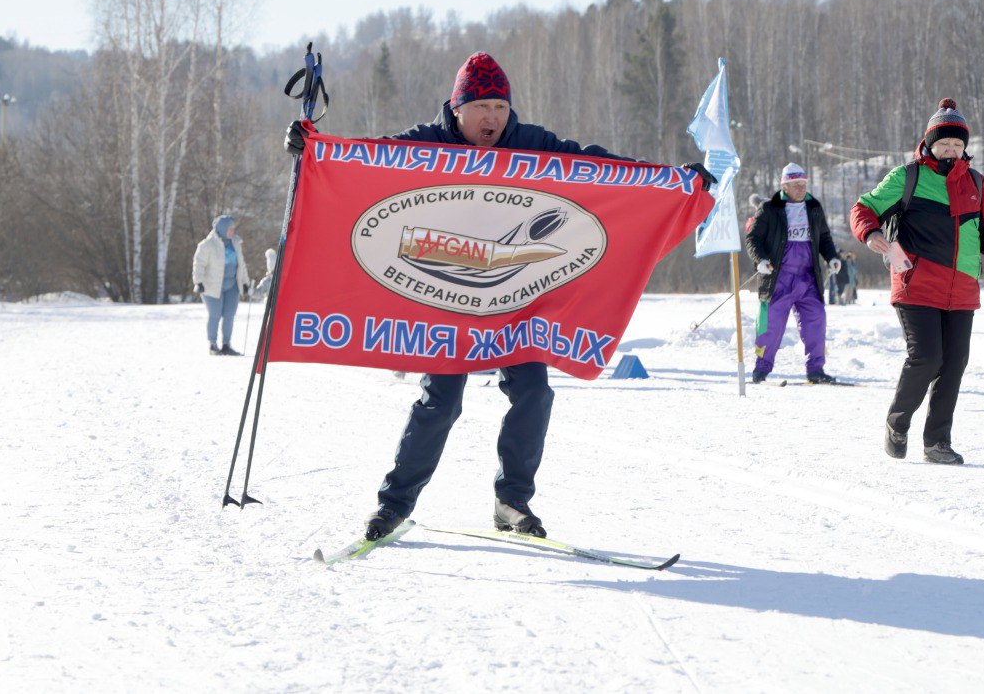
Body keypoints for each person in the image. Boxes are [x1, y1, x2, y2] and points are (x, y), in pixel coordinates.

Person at [286, 51, 713, 541]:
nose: (492, 118)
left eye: (501, 108)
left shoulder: (530, 145)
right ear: (457, 106)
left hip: (515, 301)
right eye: (481, 107)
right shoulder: (423, 144)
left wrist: (670, 181)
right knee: (440, 402)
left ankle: (512, 502)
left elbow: (598, 167)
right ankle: (393, 506)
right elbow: (363, 159)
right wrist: (312, 148)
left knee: (533, 393)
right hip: (446, 298)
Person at [850, 99, 984, 464]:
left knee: (954, 362)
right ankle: (897, 424)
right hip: (916, 282)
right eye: (943, 143)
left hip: (962, 288)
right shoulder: (909, 177)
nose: (950, 149)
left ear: (965, 147)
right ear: (929, 143)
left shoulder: (976, 183)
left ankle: (937, 442)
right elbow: (863, 207)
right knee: (927, 357)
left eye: (957, 143)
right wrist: (870, 234)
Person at [745, 162, 843, 384]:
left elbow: (824, 238)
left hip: (808, 278)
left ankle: (816, 370)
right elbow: (753, 238)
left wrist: (832, 257)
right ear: (785, 186)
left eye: (803, 184)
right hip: (778, 277)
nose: (801, 188)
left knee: (816, 321)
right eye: (796, 184)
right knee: (770, 326)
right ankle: (761, 370)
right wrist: (760, 260)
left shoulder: (814, 207)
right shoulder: (770, 208)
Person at [192, 214, 250, 356]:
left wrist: (245, 282)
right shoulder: (207, 245)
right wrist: (198, 281)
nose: (232, 231)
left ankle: (226, 345)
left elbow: (241, 265)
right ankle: (213, 345)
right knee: (215, 315)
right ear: (222, 228)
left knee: (229, 315)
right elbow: (198, 264)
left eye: (233, 229)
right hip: (211, 286)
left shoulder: (236, 243)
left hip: (232, 286)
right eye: (230, 228)